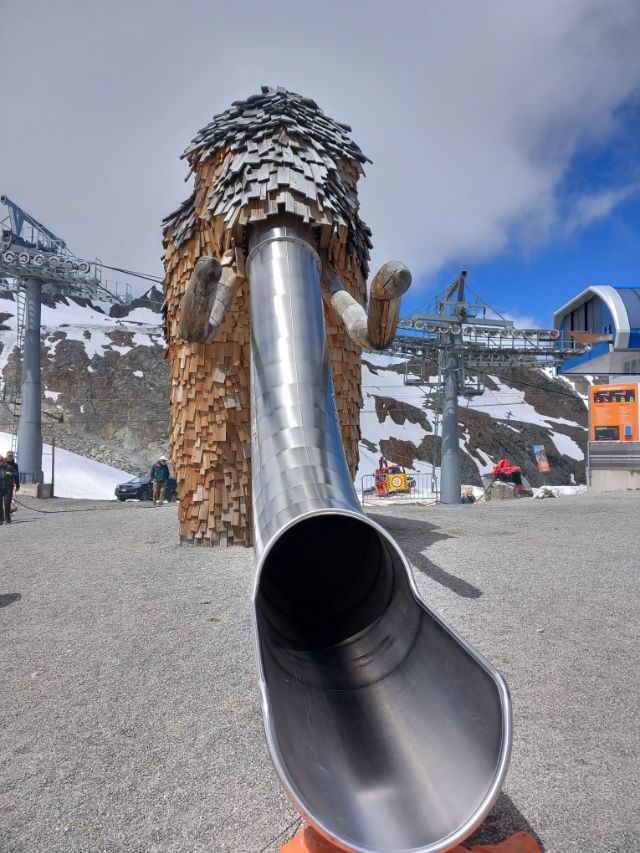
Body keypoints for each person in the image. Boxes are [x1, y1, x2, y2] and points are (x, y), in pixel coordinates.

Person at [0, 455, 17, 525]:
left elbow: (16, 473)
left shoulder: (8, 467)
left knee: (7, 504)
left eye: (0, 461)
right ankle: (0, 519)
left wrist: (10, 474)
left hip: (8, 489)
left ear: (3, 461)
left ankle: (8, 518)